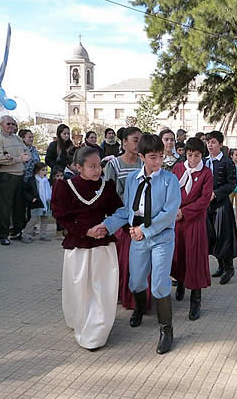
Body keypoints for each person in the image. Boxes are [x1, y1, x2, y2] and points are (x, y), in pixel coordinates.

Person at [95, 134, 181, 355]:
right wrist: (107, 225)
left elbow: (169, 213)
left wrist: (146, 230)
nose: (158, 162)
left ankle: (166, 329)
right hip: (137, 236)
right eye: (153, 157)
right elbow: (127, 210)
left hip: (161, 236)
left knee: (160, 283)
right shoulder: (132, 179)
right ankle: (140, 308)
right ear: (141, 156)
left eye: (161, 157)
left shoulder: (169, 180)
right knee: (136, 281)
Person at [51, 146, 124, 351]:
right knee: (80, 287)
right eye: (91, 166)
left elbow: (118, 211)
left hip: (103, 243)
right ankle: (79, 318)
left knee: (102, 287)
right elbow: (62, 216)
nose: (97, 170)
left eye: (99, 166)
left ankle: (97, 330)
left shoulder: (106, 187)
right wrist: (85, 232)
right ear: (78, 167)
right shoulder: (65, 187)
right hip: (79, 245)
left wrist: (117, 228)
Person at [103, 127, 149, 311]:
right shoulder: (113, 165)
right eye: (135, 139)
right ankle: (122, 294)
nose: (138, 143)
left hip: (141, 220)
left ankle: (140, 298)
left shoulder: (143, 164)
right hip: (122, 220)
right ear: (124, 142)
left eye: (140, 140)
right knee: (122, 260)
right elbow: (108, 193)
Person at [171, 138, 213, 320]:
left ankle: (196, 298)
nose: (193, 159)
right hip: (176, 220)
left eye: (197, 155)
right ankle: (180, 282)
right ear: (185, 154)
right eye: (190, 155)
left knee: (194, 257)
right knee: (178, 254)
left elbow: (204, 200)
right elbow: (170, 191)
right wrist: (173, 210)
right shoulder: (178, 169)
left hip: (194, 220)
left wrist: (185, 211)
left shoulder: (206, 173)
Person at [205, 131, 237, 285]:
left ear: (220, 144)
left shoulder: (227, 162)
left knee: (224, 236)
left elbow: (232, 184)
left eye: (213, 142)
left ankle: (229, 267)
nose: (210, 145)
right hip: (206, 206)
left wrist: (216, 194)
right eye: (208, 142)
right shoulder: (204, 162)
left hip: (221, 205)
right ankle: (220, 265)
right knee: (211, 236)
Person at [0, 116, 30, 245]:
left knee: (19, 206)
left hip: (20, 175)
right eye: (9, 124)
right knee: (5, 207)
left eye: (14, 124)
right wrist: (17, 159)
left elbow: (27, 152)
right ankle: (3, 234)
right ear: (1, 124)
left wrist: (16, 157)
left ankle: (17, 231)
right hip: (7, 176)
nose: (12, 126)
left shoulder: (17, 138)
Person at [21, 162, 51, 243]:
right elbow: (26, 191)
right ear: (37, 171)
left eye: (46, 170)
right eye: (43, 170)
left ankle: (43, 234)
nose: (45, 172)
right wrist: (32, 198)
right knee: (33, 219)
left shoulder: (46, 181)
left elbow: (48, 191)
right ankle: (26, 235)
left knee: (45, 218)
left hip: (46, 202)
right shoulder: (32, 180)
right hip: (36, 202)